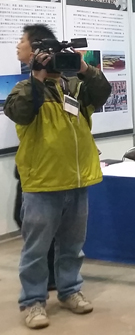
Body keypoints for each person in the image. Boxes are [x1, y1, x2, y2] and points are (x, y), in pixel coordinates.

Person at [6, 24, 111, 329]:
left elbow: (102, 93)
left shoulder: (74, 87)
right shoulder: (24, 89)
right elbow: (20, 112)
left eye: (22, 42)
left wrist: (83, 67)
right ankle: (33, 302)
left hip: (77, 179)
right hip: (43, 182)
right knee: (36, 249)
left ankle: (69, 291)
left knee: (72, 246)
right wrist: (38, 77)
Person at [13, 166, 56, 292]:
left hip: (43, 181)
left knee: (43, 232)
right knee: (23, 220)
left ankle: (51, 277)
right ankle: (48, 277)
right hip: (28, 179)